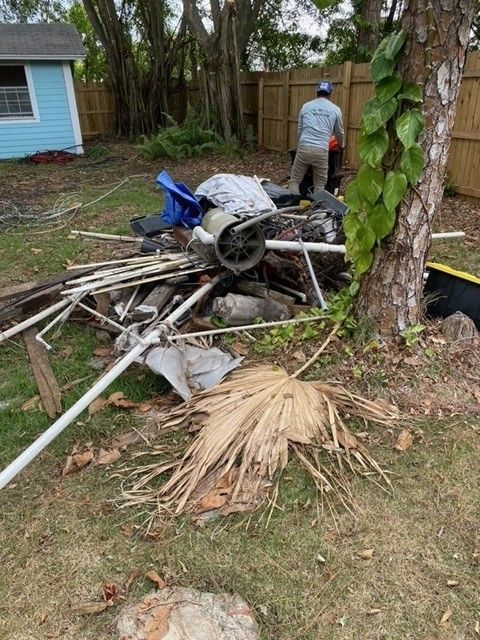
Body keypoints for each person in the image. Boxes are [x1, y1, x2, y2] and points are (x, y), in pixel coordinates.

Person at [289, 80, 344, 195]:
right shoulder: (335, 110)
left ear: (317, 92)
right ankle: (317, 209)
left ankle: (293, 206)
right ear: (330, 93)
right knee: (319, 185)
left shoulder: (306, 106)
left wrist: (302, 144)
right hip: (321, 151)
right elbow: (339, 132)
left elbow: (300, 129)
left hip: (304, 148)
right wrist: (342, 144)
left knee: (295, 181)